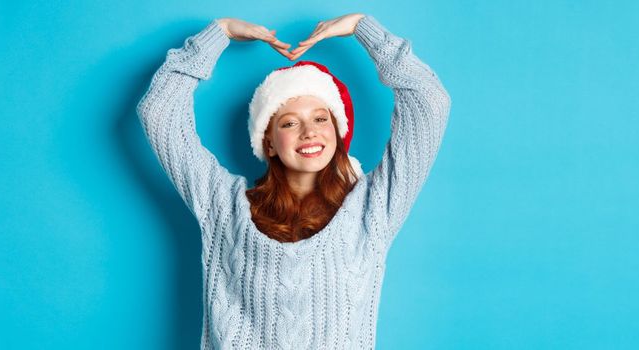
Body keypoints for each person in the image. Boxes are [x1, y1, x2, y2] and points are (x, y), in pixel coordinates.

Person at [136, 12, 450, 349]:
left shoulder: (372, 209)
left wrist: (363, 27)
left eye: (320, 118)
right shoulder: (224, 206)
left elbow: (429, 102)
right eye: (289, 123)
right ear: (268, 141)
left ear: (337, 131)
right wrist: (220, 33)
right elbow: (159, 113)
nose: (309, 131)